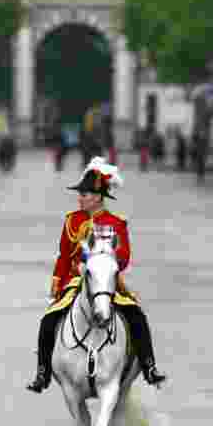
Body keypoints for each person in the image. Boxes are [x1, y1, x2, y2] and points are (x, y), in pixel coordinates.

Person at [26, 156, 167, 393]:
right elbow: (63, 257)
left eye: (84, 194)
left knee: (137, 317)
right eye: (80, 194)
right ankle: (42, 372)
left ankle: (149, 366)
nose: (79, 198)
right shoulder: (72, 221)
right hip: (75, 282)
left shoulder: (116, 223)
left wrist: (106, 261)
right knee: (48, 320)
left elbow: (124, 257)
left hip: (107, 283)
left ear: (98, 196)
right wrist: (56, 288)